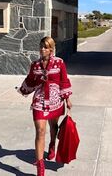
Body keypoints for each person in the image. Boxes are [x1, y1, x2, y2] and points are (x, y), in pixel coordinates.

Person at [18, 36, 72, 176]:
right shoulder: (35, 65)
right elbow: (30, 80)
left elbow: (64, 81)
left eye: (45, 47)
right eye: (41, 46)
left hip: (55, 101)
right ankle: (40, 168)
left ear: (51, 49)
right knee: (40, 131)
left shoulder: (59, 63)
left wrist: (67, 99)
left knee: (53, 127)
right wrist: (25, 87)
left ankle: (52, 143)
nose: (42, 49)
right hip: (39, 102)